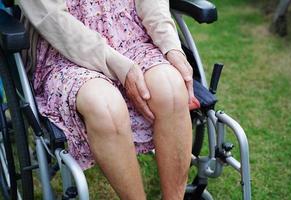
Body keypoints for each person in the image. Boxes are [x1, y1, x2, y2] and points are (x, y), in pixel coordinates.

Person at [19, 0, 198, 199]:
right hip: (66, 53)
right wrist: (117, 65)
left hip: (131, 37)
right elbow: (53, 19)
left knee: (171, 89)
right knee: (104, 106)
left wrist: (171, 46)